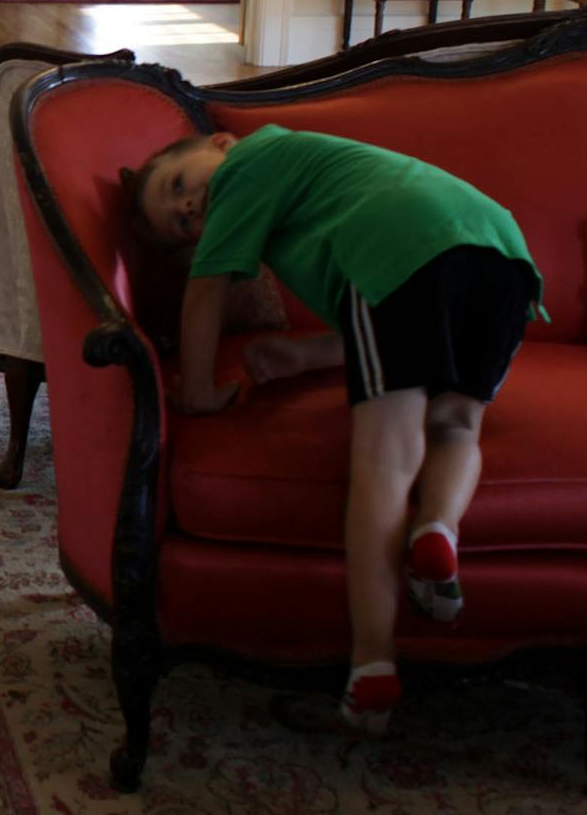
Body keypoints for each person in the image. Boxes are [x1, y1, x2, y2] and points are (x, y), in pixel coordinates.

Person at [127, 125, 543, 733]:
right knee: (456, 421)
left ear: (220, 142)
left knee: (383, 463)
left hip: (400, 245)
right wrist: (302, 356)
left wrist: (197, 394)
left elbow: (205, 291)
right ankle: (438, 531)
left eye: (179, 185)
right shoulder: (320, 178)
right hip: (501, 254)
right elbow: (399, 327)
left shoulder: (248, 162)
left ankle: (372, 662)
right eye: (181, 224)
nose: (190, 209)